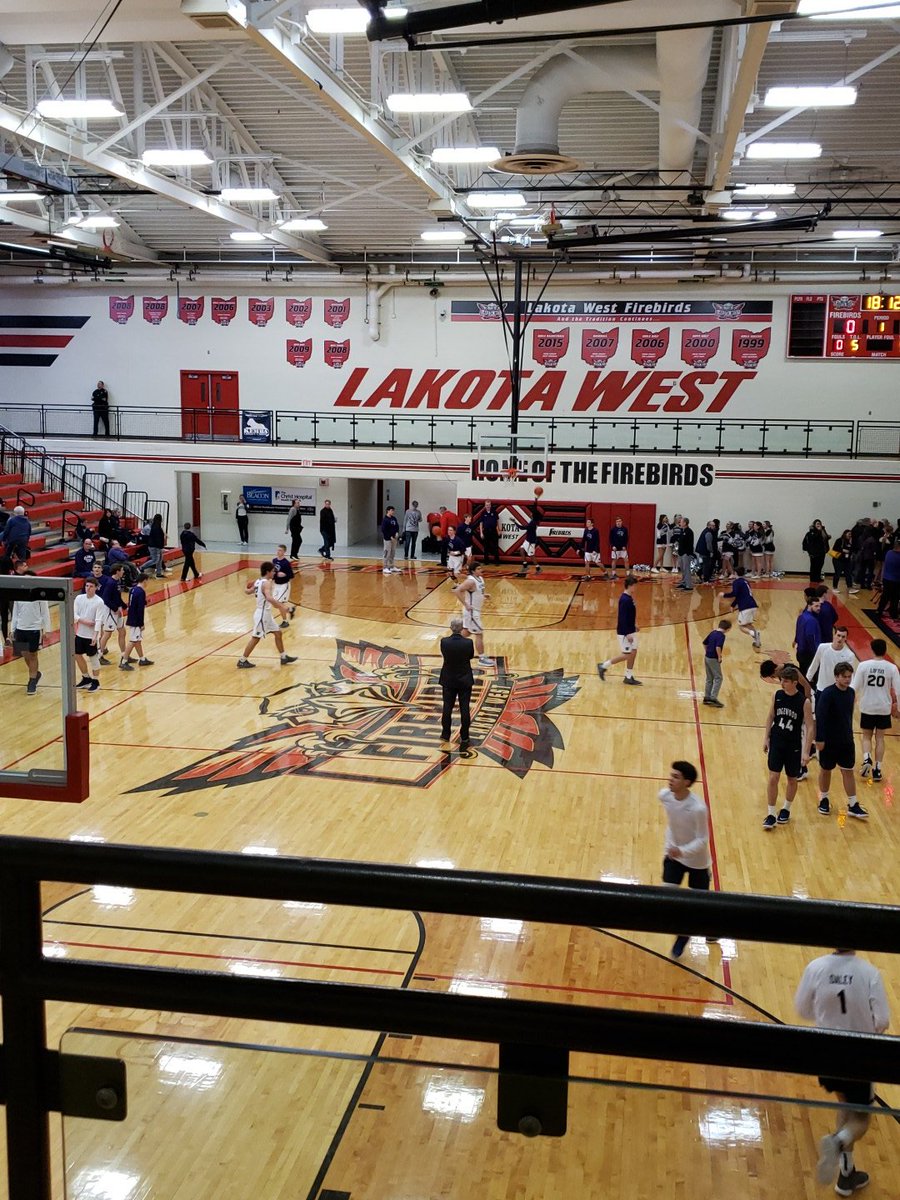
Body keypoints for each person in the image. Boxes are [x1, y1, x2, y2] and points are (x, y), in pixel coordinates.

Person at [794, 949, 890, 1196]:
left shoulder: (816, 967)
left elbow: (802, 1009)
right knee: (861, 1119)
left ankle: (846, 1175)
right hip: (859, 1056)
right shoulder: (869, 973)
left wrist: (829, 1017)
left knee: (845, 1105)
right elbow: (882, 1020)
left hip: (826, 1054)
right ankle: (837, 1144)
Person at [658, 760, 711, 959]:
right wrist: (670, 850)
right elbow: (671, 825)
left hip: (697, 862)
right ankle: (683, 930)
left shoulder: (698, 808)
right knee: (668, 901)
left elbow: (702, 840)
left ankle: (685, 935)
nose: (670, 780)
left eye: (675, 777)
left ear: (687, 783)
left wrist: (681, 851)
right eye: (671, 775)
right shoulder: (665, 796)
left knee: (699, 906)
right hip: (674, 857)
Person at [762, 665, 812, 829]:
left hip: (793, 745)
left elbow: (810, 727)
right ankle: (770, 813)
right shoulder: (777, 696)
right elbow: (770, 716)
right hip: (777, 742)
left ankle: (786, 809)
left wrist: (806, 751)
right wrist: (766, 737)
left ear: (795, 683)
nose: (782, 683)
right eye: (781, 680)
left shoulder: (803, 702)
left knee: (792, 779)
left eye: (785, 681)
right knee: (773, 777)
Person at [815, 662, 867, 820]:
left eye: (849, 676)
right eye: (844, 677)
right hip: (829, 741)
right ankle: (823, 798)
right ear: (836, 676)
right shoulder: (828, 693)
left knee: (848, 771)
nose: (847, 679)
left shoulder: (851, 693)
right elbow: (821, 716)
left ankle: (853, 804)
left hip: (846, 740)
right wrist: (820, 738)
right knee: (826, 770)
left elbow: (848, 716)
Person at [852, 639, 900, 783]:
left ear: (872, 649)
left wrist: (849, 702)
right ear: (885, 651)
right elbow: (898, 690)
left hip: (868, 706)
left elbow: (854, 687)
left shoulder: (863, 666)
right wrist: (899, 708)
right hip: (883, 707)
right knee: (880, 738)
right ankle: (878, 769)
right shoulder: (891, 668)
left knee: (866, 736)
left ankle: (867, 758)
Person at [237, 562, 297, 668]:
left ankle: (283, 657)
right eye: (273, 571)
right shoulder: (267, 583)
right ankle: (242, 660)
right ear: (268, 572)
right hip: (262, 614)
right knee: (256, 638)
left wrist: (246, 588)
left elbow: (248, 592)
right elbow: (269, 598)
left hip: (266, 614)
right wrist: (283, 607)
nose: (274, 572)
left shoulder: (258, 582)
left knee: (278, 633)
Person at [11, 569, 50, 695]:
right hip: (20, 629)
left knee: (33, 654)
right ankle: (35, 673)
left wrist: (47, 629)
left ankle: (32, 681)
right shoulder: (19, 594)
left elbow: (45, 612)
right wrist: (13, 629)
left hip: (34, 629)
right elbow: (15, 613)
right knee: (23, 653)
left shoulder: (40, 594)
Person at [598, 575, 641, 685]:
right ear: (630, 586)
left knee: (634, 651)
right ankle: (603, 666)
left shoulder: (629, 598)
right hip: (624, 632)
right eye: (635, 586)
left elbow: (630, 615)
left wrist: (634, 625)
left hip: (631, 629)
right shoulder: (624, 600)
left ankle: (628, 676)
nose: (636, 588)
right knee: (627, 654)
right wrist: (627, 633)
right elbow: (622, 618)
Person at [439, 614, 474, 749]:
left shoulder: (444, 642)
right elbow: (470, 656)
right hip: (464, 679)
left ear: (451, 628)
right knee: (464, 708)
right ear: (461, 628)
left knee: (447, 707)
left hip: (448, 679)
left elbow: (444, 655)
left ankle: (445, 734)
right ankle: (464, 736)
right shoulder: (468, 643)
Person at [453, 561, 493, 666]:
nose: (481, 570)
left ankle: (451, 647)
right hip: (471, 612)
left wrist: (484, 595)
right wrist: (465, 604)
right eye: (479, 569)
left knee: (467, 632)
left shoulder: (480, 579)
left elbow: (476, 592)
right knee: (479, 633)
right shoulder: (470, 581)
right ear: (473, 571)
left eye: (481, 568)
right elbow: (457, 591)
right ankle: (482, 658)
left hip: (475, 610)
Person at [807, 627, 858, 701]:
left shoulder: (849, 655)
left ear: (846, 639)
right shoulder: (822, 647)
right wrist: (807, 680)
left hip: (838, 691)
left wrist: (852, 691)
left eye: (843, 637)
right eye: (838, 635)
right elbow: (814, 664)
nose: (840, 638)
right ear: (834, 635)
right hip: (822, 688)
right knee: (819, 712)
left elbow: (851, 675)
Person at [73, 575, 104, 691]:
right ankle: (86, 678)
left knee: (93, 657)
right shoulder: (79, 598)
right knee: (77, 655)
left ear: (96, 588)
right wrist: (84, 621)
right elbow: (74, 614)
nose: (88, 588)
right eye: (86, 586)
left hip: (91, 635)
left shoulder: (99, 602)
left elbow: (98, 620)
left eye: (91, 586)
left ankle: (96, 681)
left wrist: (95, 636)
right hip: (80, 633)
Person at [721, 567, 762, 649]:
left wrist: (724, 595)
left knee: (741, 627)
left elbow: (734, 593)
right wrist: (732, 605)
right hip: (753, 605)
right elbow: (739, 595)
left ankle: (754, 633)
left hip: (745, 607)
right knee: (749, 624)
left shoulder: (736, 582)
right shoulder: (746, 581)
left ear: (735, 573)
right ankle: (757, 642)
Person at [96, 563, 127, 666]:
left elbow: (117, 596)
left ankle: (124, 655)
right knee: (107, 634)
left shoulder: (117, 581)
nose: (123, 572)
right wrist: (114, 608)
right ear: (117, 571)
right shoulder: (110, 583)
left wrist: (124, 606)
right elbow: (105, 598)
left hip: (117, 610)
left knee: (122, 632)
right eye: (122, 570)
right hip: (110, 611)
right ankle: (99, 655)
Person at [121, 572, 153, 669]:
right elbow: (140, 609)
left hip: (131, 616)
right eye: (147, 581)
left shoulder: (133, 589)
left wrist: (145, 601)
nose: (148, 583)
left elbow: (133, 603)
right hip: (136, 620)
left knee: (137, 640)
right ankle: (124, 661)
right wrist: (141, 623)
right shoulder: (141, 592)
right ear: (144, 580)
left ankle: (142, 659)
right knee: (133, 641)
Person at [701, 619, 731, 708]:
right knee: (718, 678)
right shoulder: (721, 636)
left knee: (709, 678)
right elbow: (718, 647)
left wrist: (707, 652)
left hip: (707, 657)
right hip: (713, 659)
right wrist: (719, 656)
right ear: (727, 629)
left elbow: (704, 643)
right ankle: (713, 698)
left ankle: (707, 697)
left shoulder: (713, 632)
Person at [794, 593, 822, 680]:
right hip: (809, 654)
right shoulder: (811, 620)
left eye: (819, 606)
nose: (819, 608)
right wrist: (816, 653)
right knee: (811, 678)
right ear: (809, 605)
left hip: (800, 651)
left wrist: (795, 640)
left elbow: (798, 630)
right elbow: (810, 637)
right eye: (816, 606)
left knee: (803, 675)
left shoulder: (801, 616)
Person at [271, 544, 296, 628]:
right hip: (276, 585)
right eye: (277, 550)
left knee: (279, 602)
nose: (278, 552)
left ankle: (285, 621)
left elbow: (292, 575)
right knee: (275, 604)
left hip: (284, 585)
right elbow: (273, 573)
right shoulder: (274, 560)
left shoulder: (286, 563)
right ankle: (290, 610)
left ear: (284, 552)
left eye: (280, 550)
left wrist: (284, 574)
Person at [876, 537, 900, 621]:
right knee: (895, 598)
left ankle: (879, 610)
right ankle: (893, 614)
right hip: (896, 580)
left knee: (885, 596)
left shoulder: (889, 553)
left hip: (886, 578)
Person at [802, 519, 831, 584]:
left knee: (820, 565)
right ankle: (813, 579)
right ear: (814, 525)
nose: (818, 525)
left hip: (822, 551)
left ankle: (818, 578)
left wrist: (828, 536)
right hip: (814, 552)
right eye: (817, 524)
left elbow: (825, 538)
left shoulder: (822, 531)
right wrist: (819, 531)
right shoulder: (811, 532)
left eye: (819, 523)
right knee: (814, 566)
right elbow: (813, 538)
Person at [517, 505, 541, 577]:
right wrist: (535, 499)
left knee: (531, 556)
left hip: (531, 541)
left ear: (533, 515)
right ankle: (525, 565)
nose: (530, 513)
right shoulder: (533, 521)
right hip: (527, 540)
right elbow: (535, 509)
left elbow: (522, 528)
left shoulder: (533, 523)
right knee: (521, 550)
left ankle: (538, 568)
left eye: (531, 513)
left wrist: (515, 522)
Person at [831, 529, 858, 596]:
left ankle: (850, 588)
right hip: (838, 560)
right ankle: (835, 587)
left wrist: (851, 544)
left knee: (848, 574)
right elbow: (834, 549)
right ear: (845, 534)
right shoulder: (839, 540)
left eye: (850, 534)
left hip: (847, 560)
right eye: (848, 534)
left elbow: (853, 550)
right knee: (838, 573)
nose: (850, 535)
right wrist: (842, 550)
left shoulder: (851, 542)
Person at [476, 500, 500, 566]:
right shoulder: (483, 513)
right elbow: (481, 523)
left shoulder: (494, 512)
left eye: (489, 505)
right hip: (486, 531)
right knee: (486, 547)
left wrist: (498, 530)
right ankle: (486, 561)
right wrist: (481, 533)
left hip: (493, 531)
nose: (488, 506)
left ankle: (497, 562)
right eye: (486, 505)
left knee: (495, 546)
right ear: (485, 505)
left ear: (490, 505)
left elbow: (497, 522)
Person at [675, 516, 694, 591]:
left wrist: (687, 553)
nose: (680, 523)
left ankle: (689, 585)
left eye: (681, 522)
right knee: (682, 569)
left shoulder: (689, 531)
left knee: (686, 569)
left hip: (686, 553)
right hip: (681, 553)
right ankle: (683, 582)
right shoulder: (682, 531)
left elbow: (689, 544)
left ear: (685, 523)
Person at [146, 514, 167, 579]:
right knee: (155, 560)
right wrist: (161, 546)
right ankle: (141, 567)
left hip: (157, 546)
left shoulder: (157, 526)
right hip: (154, 546)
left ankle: (159, 573)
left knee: (160, 560)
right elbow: (157, 538)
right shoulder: (155, 527)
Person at [381, 505, 400, 575]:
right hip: (387, 539)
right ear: (388, 511)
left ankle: (391, 566)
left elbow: (397, 526)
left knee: (393, 552)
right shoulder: (385, 520)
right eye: (392, 510)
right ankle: (385, 567)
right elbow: (383, 530)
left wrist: (397, 533)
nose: (393, 512)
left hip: (394, 539)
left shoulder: (394, 518)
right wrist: (390, 537)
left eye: (393, 510)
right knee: (387, 552)